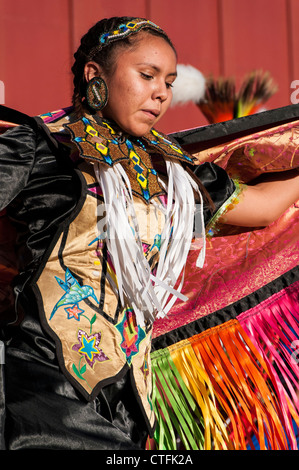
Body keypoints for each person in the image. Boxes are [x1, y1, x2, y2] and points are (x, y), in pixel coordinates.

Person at [0, 16, 298, 451]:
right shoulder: (43, 147)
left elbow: (264, 207)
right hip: (46, 392)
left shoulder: (170, 168)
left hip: (132, 402)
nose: (161, 92)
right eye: (147, 75)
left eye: (170, 81)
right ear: (94, 76)